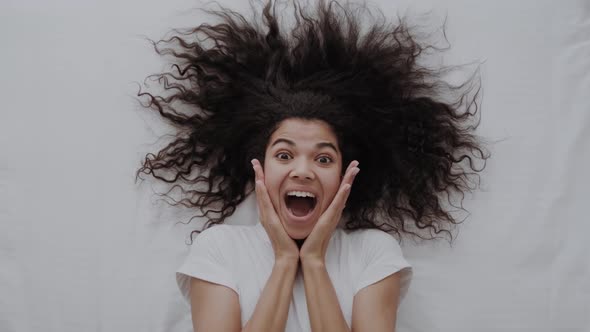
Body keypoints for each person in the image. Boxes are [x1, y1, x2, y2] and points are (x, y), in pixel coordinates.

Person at [136, 0, 489, 331]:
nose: (302, 171)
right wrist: (286, 260)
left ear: (346, 174)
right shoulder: (218, 248)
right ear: (258, 168)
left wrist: (316, 260)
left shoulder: (373, 252)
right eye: (284, 155)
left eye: (323, 158)